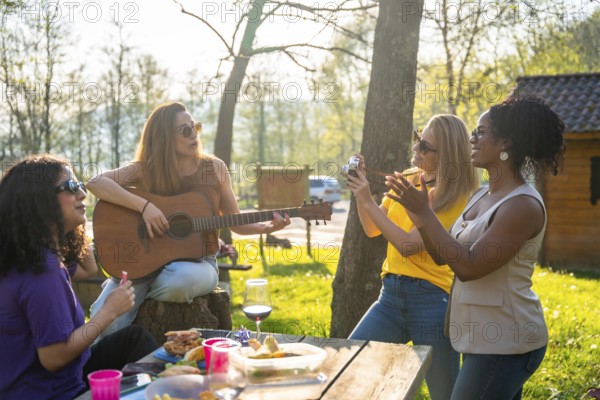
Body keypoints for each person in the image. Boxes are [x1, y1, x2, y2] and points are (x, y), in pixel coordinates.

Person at [386, 96, 565, 399]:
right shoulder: (480, 195)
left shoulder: (523, 205)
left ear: (506, 142)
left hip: (509, 341)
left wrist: (427, 214)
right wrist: (419, 217)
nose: (472, 138)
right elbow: (444, 256)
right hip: (478, 337)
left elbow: (469, 267)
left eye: (481, 132)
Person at [87, 101, 290, 336]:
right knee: (104, 324)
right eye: (185, 130)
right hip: (143, 264)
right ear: (164, 138)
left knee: (180, 280)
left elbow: (235, 222)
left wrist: (267, 227)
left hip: (200, 263)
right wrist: (144, 207)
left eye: (195, 127)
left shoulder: (215, 169)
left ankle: (133, 290)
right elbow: (95, 183)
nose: (193, 134)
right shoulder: (146, 169)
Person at [0, 154, 157, 400]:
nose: (82, 193)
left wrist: (78, 223)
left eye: (81, 186)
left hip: (51, 378)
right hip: (52, 391)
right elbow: (53, 358)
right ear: (40, 201)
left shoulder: (26, 254)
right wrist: (109, 312)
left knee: (133, 339)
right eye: (71, 187)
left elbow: (88, 269)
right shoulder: (42, 271)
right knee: (150, 377)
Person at [346, 114, 478, 400]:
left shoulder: (457, 196)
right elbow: (371, 229)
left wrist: (368, 198)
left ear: (448, 155)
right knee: (351, 364)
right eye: (418, 139)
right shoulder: (406, 179)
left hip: (432, 302)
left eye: (425, 147)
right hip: (389, 297)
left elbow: (407, 245)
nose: (416, 149)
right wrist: (360, 193)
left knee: (445, 394)